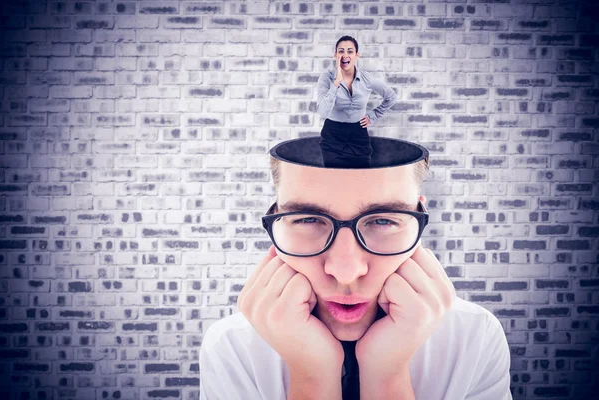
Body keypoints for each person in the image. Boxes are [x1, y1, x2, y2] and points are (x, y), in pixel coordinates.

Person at [199, 137, 512, 400]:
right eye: (308, 219)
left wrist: (387, 377)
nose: (346, 272)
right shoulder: (233, 347)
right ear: (275, 217)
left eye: (383, 220)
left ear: (419, 216)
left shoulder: (474, 338)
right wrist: (312, 378)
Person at [317, 35, 397, 168]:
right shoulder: (326, 78)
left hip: (358, 134)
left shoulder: (367, 78)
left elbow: (391, 97)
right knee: (335, 181)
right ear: (335, 55)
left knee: (361, 179)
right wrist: (336, 83)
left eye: (350, 51)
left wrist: (373, 115)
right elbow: (323, 112)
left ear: (356, 55)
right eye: (341, 51)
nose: (345, 55)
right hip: (333, 135)